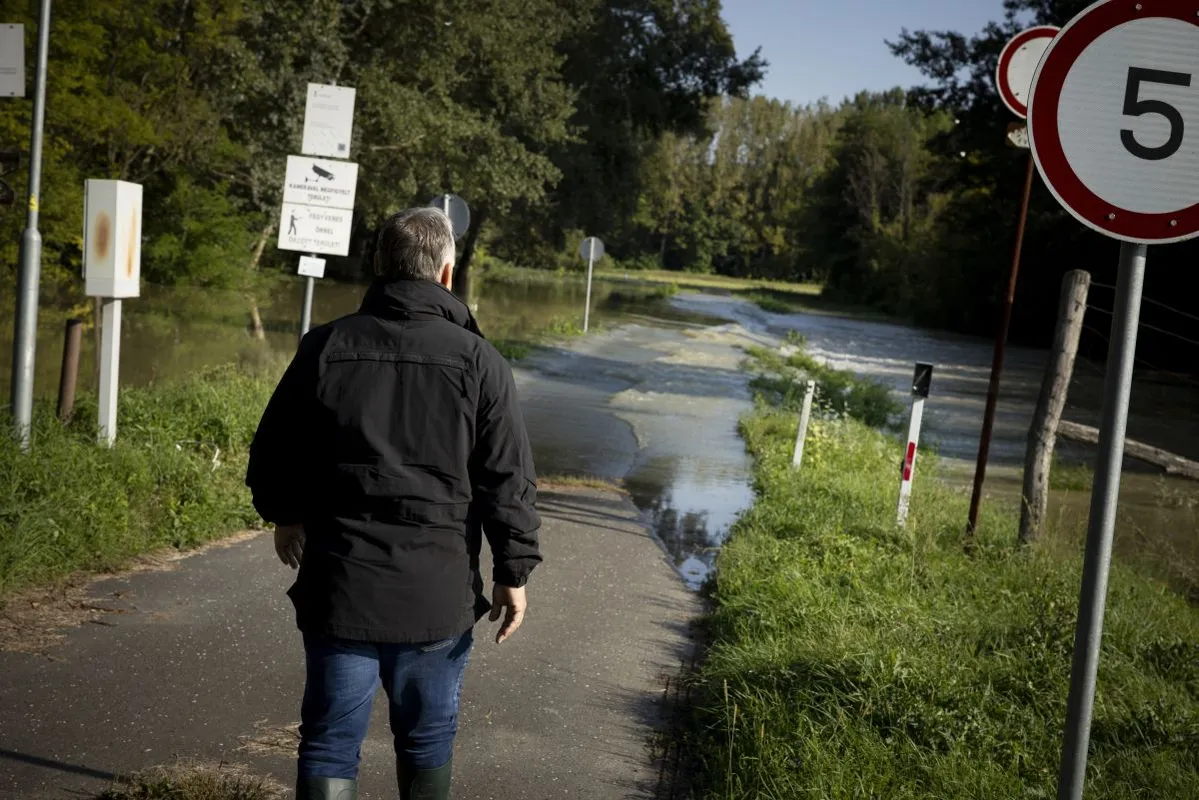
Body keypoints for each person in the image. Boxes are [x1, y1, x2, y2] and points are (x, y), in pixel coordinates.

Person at [246, 207, 542, 800]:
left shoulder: (325, 347)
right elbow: (506, 479)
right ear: (446, 273)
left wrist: (286, 513)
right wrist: (514, 571)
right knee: (427, 740)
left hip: (341, 586)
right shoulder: (481, 363)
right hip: (436, 595)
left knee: (329, 742)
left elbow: (274, 450)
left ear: (378, 267)